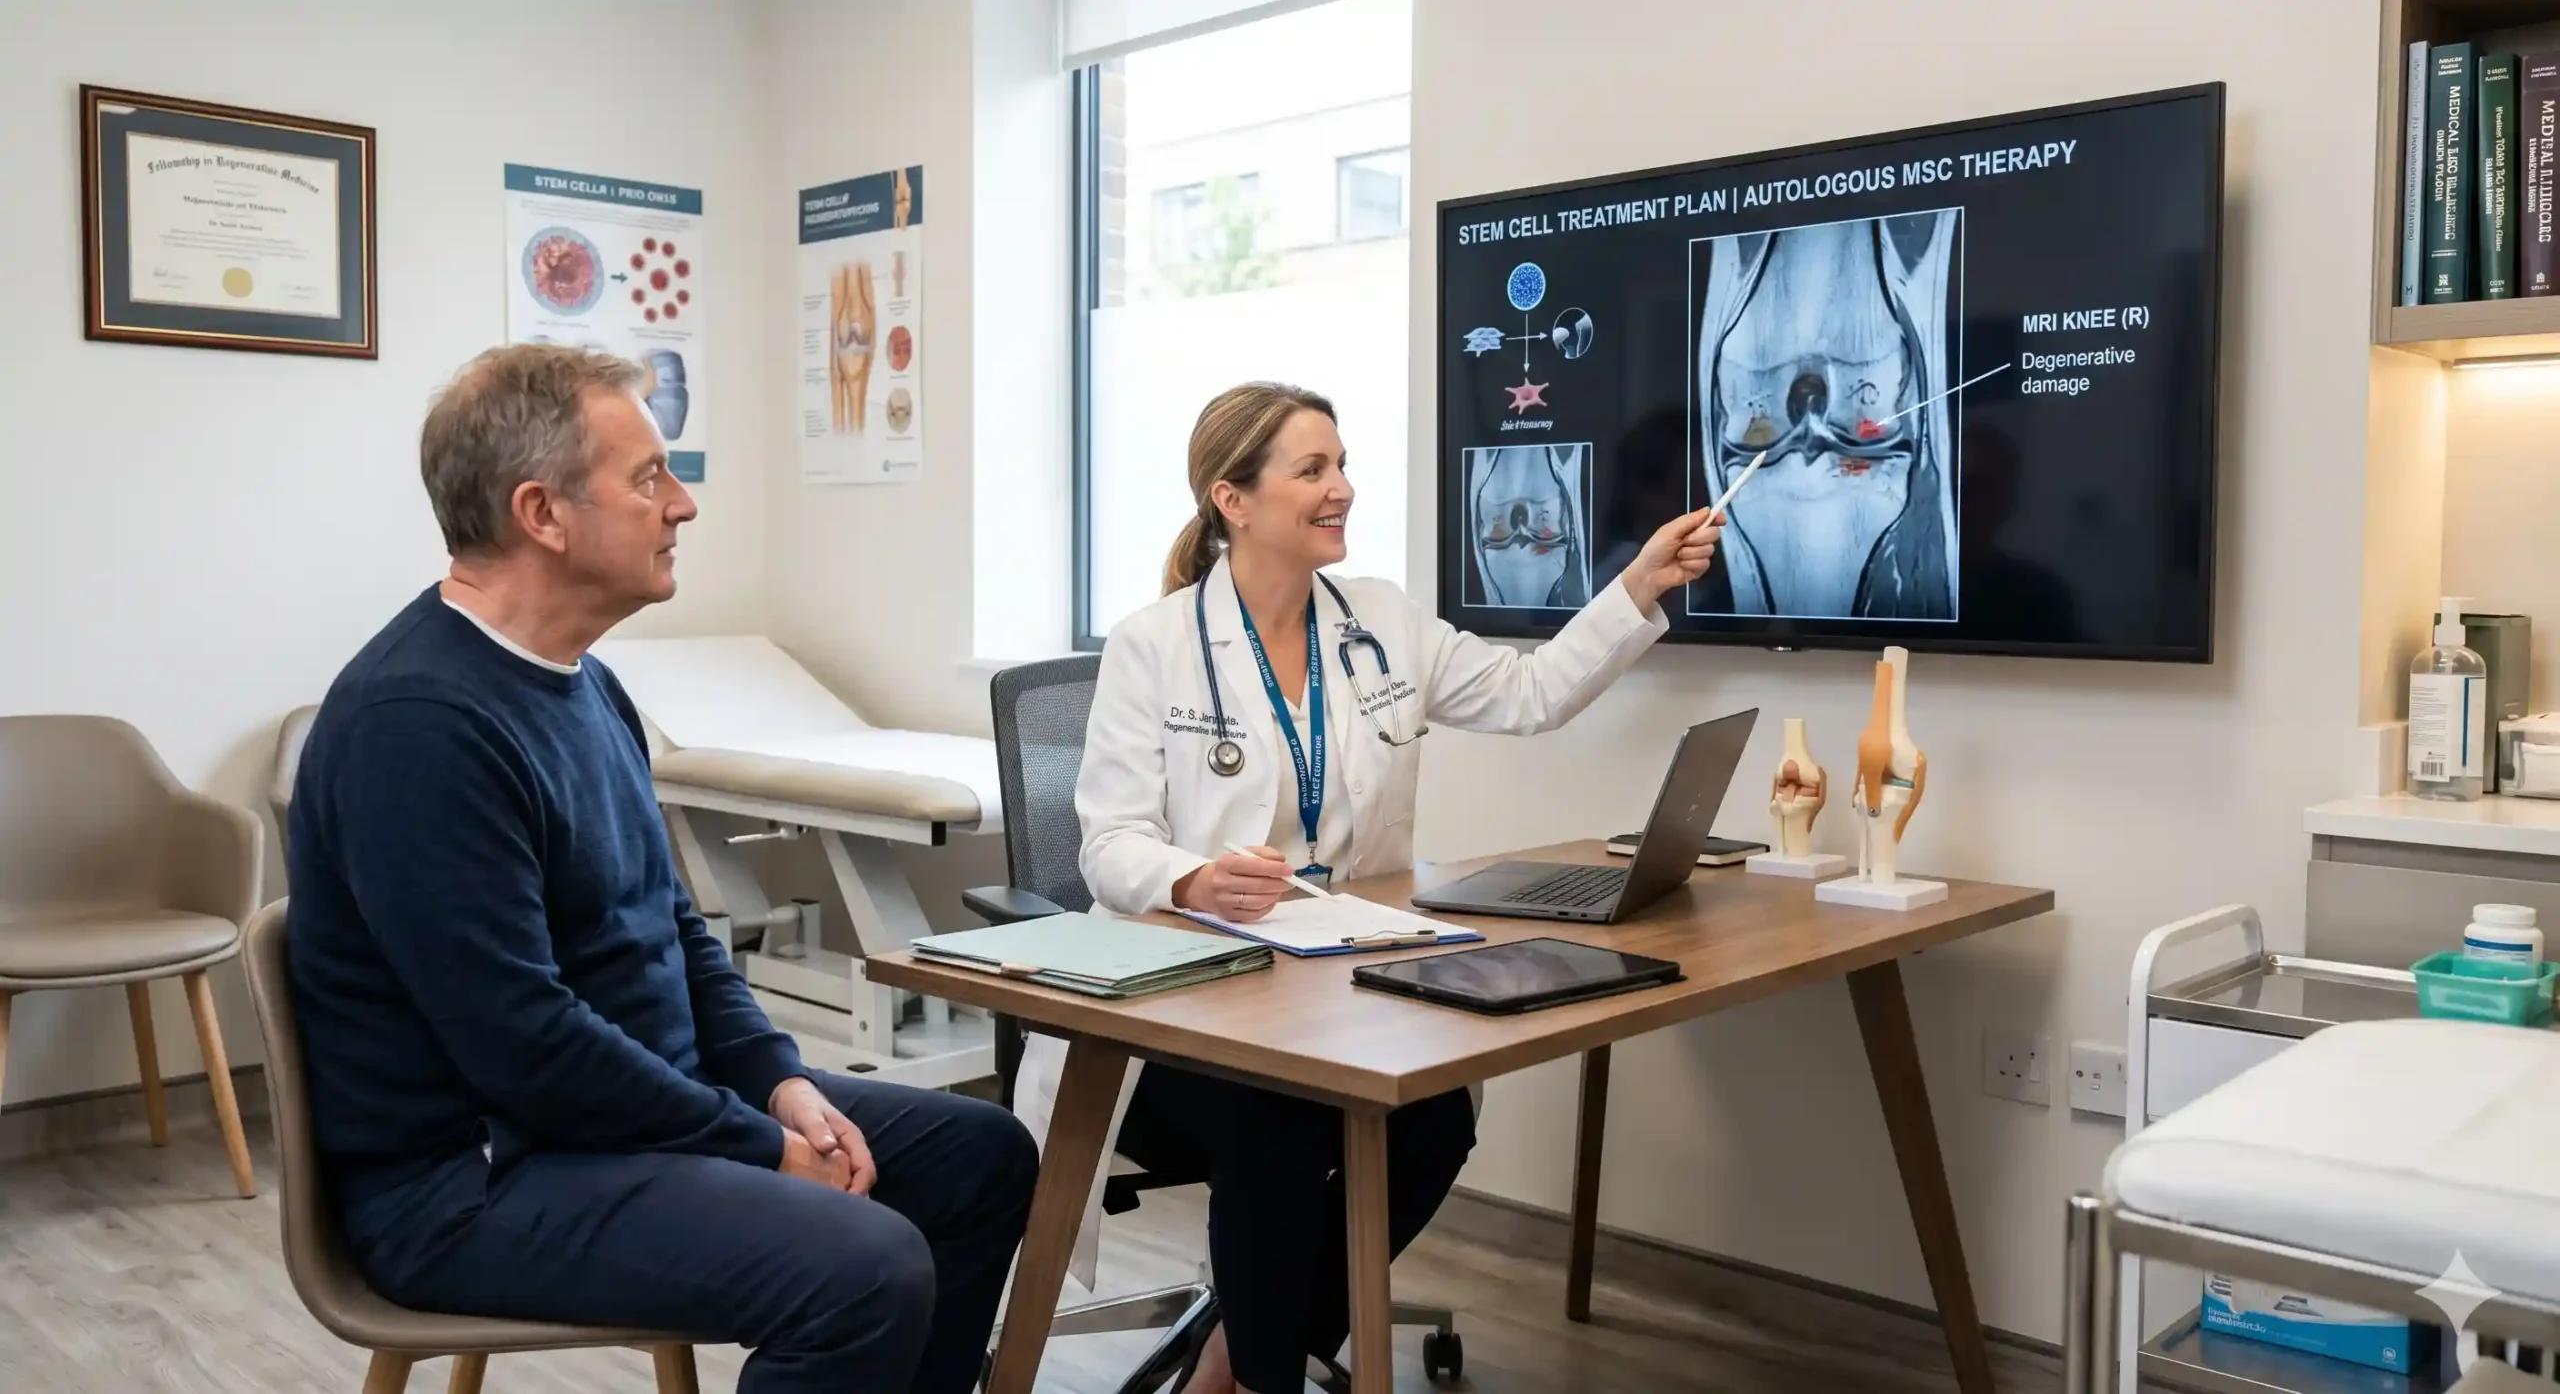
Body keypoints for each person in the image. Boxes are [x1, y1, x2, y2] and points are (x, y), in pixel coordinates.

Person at [286, 344, 1037, 1394]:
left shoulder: (588, 684)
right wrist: (754, 1144)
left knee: (980, 1158)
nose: (682, 504)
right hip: (478, 1180)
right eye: (648, 478)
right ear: (541, 513)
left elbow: (673, 926)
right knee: (862, 1269)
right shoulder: (417, 728)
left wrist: (774, 1077)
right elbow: (523, 1044)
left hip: (618, 1120)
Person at [1039, 381, 1721, 1394]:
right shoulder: (1156, 645)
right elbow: (1109, 847)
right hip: (1185, 1002)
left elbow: (1527, 694)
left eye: (1342, 464)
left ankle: (1234, 1357)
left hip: (1340, 981)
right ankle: (1263, 1374)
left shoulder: (1382, 622)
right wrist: (1193, 874)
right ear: (1233, 499)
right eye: (1312, 469)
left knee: (1436, 1117)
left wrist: (1638, 585)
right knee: (1281, 1124)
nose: (1342, 489)